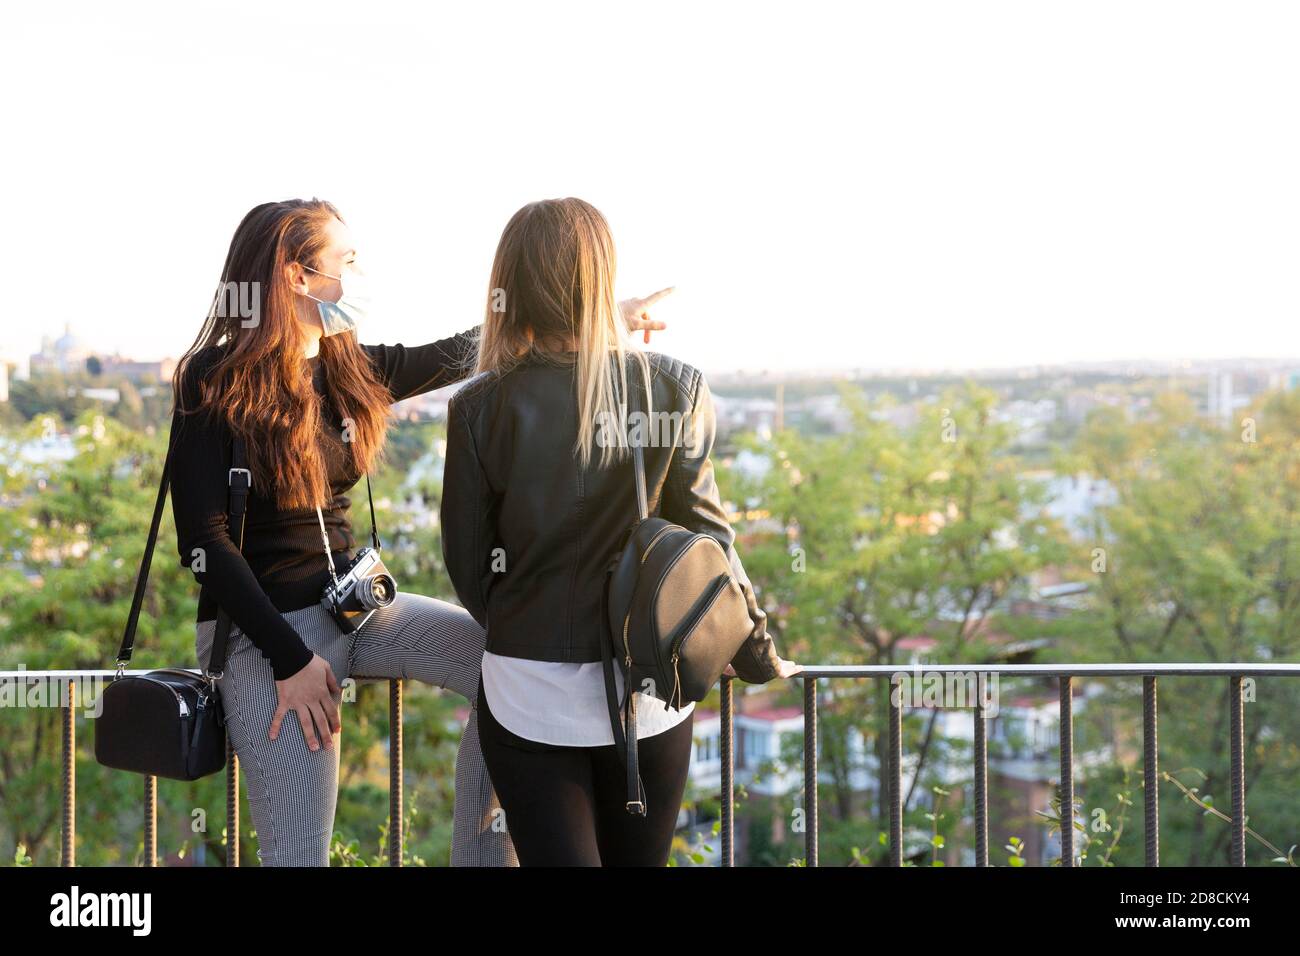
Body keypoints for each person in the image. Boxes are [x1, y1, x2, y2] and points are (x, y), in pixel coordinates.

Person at [170, 197, 668, 866]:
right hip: (267, 638)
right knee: (299, 854)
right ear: (296, 276)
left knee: (502, 668)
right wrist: (291, 662)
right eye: (345, 260)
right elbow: (203, 542)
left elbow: (457, 353)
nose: (357, 273)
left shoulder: (345, 367)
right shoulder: (215, 380)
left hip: (356, 609)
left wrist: (601, 313)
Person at [440, 197, 802, 866]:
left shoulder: (478, 406)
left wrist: (522, 624)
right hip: (650, 690)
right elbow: (710, 544)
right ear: (602, 277)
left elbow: (466, 565)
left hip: (529, 692)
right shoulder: (675, 387)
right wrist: (755, 650)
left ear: (510, 283)